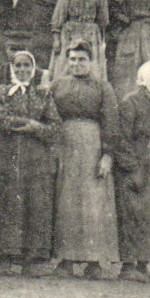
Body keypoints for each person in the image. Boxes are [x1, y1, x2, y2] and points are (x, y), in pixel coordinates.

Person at [48, 41, 120, 279]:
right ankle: (66, 259)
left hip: (92, 145)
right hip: (66, 144)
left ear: (91, 61)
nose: (77, 64)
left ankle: (94, 261)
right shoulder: (57, 85)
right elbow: (49, 115)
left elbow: (111, 122)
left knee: (94, 203)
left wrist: (107, 155)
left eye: (82, 59)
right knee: (66, 202)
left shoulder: (103, 87)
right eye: (73, 59)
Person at [0, 49, 61, 276]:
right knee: (9, 203)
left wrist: (36, 128)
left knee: (36, 204)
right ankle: (7, 257)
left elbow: (55, 127)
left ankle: (33, 259)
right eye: (18, 66)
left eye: (26, 66)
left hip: (36, 157)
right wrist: (30, 123)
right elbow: (1, 120)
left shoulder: (43, 94)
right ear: (12, 69)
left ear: (33, 70)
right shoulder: (2, 93)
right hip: (9, 153)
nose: (22, 70)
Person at [114, 60, 150, 282]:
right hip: (137, 164)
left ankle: (143, 263)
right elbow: (121, 137)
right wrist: (132, 167)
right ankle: (128, 265)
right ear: (146, 79)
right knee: (132, 213)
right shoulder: (131, 101)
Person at [49, 0, 109, 82]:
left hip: (91, 35)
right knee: (66, 65)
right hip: (70, 34)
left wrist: (101, 42)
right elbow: (58, 18)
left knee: (91, 66)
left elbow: (102, 22)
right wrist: (56, 39)